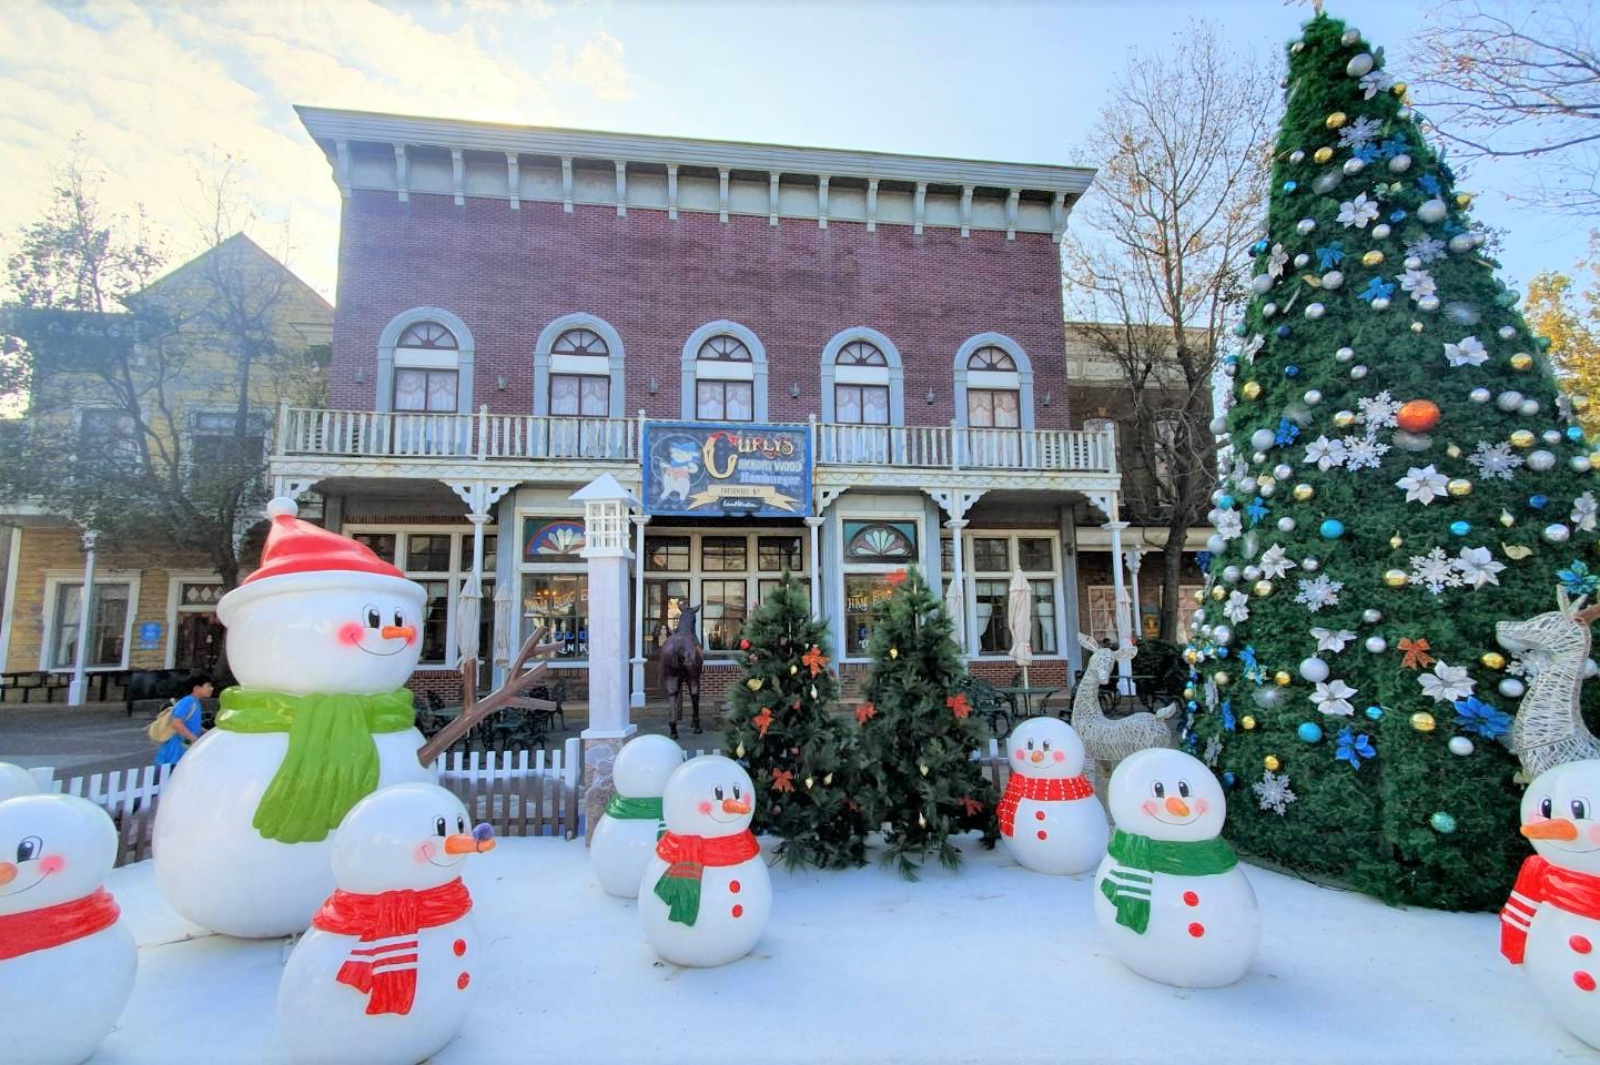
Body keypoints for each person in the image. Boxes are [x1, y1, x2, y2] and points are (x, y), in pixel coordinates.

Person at [155, 672, 214, 768]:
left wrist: (207, 732)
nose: (211, 689)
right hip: (175, 751)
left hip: (183, 748)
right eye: (208, 686)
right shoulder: (188, 701)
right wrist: (195, 740)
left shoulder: (195, 702)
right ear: (196, 689)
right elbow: (176, 724)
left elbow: (190, 723)